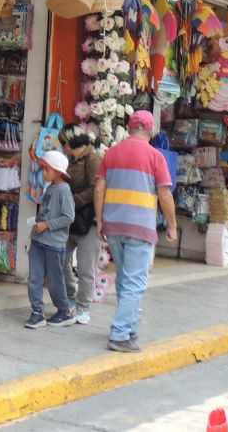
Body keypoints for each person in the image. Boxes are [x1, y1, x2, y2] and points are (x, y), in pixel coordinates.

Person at [94, 110, 176, 353]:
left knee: (124, 279)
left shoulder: (111, 153)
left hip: (114, 225)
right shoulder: (155, 156)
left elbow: (99, 189)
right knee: (135, 282)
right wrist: (172, 225)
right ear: (150, 132)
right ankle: (120, 334)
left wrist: (100, 221)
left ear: (129, 128)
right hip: (139, 227)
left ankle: (128, 328)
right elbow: (164, 194)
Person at [25, 150, 76, 329]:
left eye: (46, 169)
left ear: (58, 171)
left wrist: (46, 225)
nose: (43, 173)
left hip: (54, 243)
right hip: (39, 240)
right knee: (34, 277)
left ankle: (64, 311)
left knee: (54, 279)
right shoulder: (52, 188)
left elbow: (69, 216)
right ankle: (37, 312)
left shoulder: (63, 190)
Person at [59, 124, 103, 326]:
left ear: (68, 144)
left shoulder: (93, 158)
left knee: (86, 268)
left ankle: (83, 307)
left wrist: (73, 201)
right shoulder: (70, 160)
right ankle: (70, 296)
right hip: (70, 218)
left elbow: (97, 189)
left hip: (88, 220)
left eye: (63, 145)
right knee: (60, 259)